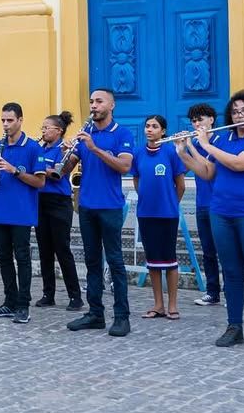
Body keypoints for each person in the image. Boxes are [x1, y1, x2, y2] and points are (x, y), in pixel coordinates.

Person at [177, 91, 244, 352]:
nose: (240, 115)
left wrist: (206, 144)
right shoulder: (225, 138)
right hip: (222, 213)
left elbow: (238, 164)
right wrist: (184, 151)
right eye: (235, 112)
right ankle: (235, 327)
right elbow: (208, 172)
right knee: (232, 274)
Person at [66, 88, 135, 337]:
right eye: (91, 102)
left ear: (111, 105)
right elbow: (64, 170)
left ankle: (122, 317)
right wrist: (64, 152)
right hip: (86, 206)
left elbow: (124, 166)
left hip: (110, 206)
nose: (93, 106)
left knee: (115, 261)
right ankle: (95, 313)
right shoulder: (86, 133)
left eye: (99, 101)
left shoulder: (122, 134)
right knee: (92, 261)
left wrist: (94, 148)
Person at [0, 103, 46, 325]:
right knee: (3, 258)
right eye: (3, 120)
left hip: (21, 212)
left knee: (22, 258)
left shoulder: (33, 148)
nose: (5, 124)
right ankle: (9, 302)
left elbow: (40, 182)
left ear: (20, 120)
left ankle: (23, 305)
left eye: (10, 120)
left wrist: (14, 171)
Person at [133, 115, 186, 320]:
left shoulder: (171, 152)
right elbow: (137, 181)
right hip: (146, 214)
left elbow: (180, 185)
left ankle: (172, 305)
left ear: (163, 131)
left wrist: (171, 204)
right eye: (147, 126)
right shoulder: (138, 153)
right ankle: (158, 305)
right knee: (153, 260)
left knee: (170, 260)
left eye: (154, 126)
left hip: (167, 215)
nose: (149, 129)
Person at [35, 111, 82, 310]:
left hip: (59, 202)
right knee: (44, 250)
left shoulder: (63, 149)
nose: (43, 131)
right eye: (42, 128)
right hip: (40, 200)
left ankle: (75, 296)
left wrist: (38, 169)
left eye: (47, 128)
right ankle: (48, 294)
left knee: (62, 249)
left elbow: (58, 173)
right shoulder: (39, 149)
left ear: (59, 130)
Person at [187, 103, 223, 306]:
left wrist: (192, 146)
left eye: (200, 119)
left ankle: (232, 292)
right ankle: (212, 292)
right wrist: (182, 148)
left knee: (226, 251)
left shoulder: (221, 141)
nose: (196, 124)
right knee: (208, 251)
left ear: (211, 119)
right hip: (202, 203)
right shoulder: (194, 143)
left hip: (221, 204)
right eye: (193, 121)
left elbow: (209, 168)